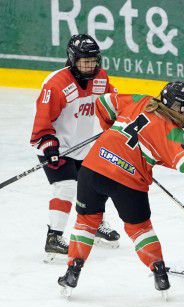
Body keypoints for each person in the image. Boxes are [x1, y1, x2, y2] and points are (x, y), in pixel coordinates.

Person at [56, 81, 184, 298]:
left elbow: (103, 103)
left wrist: (112, 131)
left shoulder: (142, 100)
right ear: (177, 107)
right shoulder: (174, 133)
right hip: (128, 182)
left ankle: (72, 272)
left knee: (86, 222)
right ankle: (159, 273)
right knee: (140, 229)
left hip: (93, 168)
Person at [30, 34, 120, 263]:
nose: (90, 66)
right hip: (55, 147)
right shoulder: (56, 84)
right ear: (72, 59)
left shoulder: (101, 78)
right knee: (66, 188)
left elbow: (112, 105)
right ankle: (54, 237)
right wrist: (49, 145)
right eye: (84, 61)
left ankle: (95, 222)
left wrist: (121, 123)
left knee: (98, 184)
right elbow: (42, 121)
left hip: (83, 145)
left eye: (93, 60)